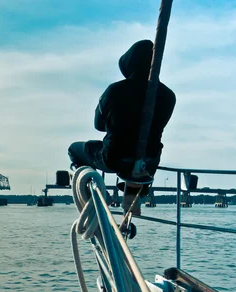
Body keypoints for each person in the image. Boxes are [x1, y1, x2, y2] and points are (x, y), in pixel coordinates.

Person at [68, 39, 176, 214]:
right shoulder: (169, 96)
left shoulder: (115, 90)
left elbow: (98, 125)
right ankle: (133, 197)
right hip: (149, 162)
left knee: (74, 149)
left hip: (115, 158)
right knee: (137, 161)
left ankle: (97, 193)